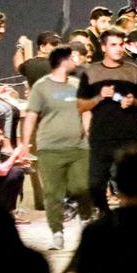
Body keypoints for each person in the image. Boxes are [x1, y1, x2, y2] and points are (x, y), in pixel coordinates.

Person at [80, 29, 137, 216]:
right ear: (103, 47)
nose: (119, 49)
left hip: (127, 137)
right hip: (100, 137)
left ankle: (127, 219)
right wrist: (99, 97)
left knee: (131, 184)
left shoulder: (133, 70)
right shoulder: (92, 71)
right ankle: (105, 212)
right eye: (113, 45)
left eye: (121, 44)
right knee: (94, 183)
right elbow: (80, 105)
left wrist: (133, 101)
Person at [23, 45, 87, 249]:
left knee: (82, 187)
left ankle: (85, 220)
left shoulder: (77, 85)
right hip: (50, 147)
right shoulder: (41, 87)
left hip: (78, 146)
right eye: (71, 58)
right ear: (62, 61)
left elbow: (85, 110)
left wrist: (87, 129)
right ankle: (57, 233)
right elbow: (31, 116)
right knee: (53, 192)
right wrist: (25, 144)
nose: (75, 61)